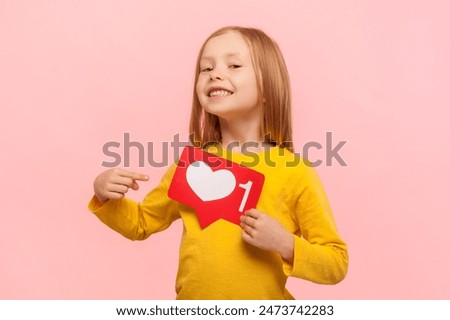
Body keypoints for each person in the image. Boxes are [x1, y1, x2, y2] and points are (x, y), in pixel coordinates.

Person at [88, 26, 348, 299]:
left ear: (268, 87)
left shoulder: (295, 172)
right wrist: (105, 194)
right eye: (205, 68)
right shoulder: (191, 165)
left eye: (234, 64)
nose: (215, 74)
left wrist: (285, 244)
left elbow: (336, 262)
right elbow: (141, 223)